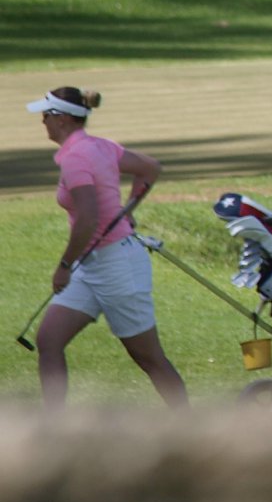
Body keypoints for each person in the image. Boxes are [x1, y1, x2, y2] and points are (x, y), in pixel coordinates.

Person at [27, 86, 187, 409]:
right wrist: (128, 209)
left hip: (118, 267)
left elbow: (88, 217)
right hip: (93, 264)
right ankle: (53, 431)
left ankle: (194, 428)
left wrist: (64, 265)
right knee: (49, 340)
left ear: (61, 120)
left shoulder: (75, 158)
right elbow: (150, 168)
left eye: (46, 115)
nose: (42, 121)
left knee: (149, 358)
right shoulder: (98, 146)